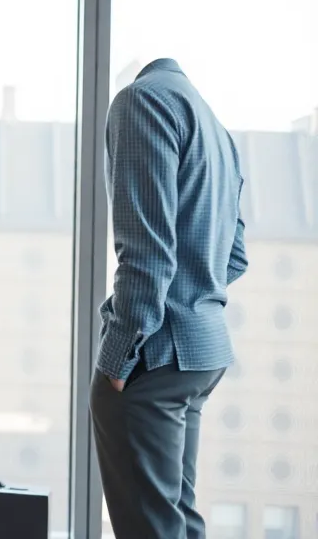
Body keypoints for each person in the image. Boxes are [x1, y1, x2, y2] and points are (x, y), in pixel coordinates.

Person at [91, 57, 247, 539]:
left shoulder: (140, 101)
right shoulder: (216, 128)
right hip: (200, 354)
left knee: (150, 528)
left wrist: (117, 361)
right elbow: (234, 256)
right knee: (176, 518)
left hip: (154, 357)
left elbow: (146, 254)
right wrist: (194, 294)